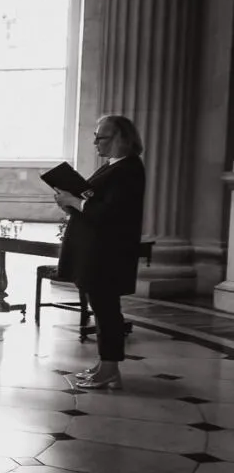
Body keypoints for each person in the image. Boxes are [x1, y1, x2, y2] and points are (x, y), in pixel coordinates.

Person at [54, 115, 146, 390]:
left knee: (107, 312)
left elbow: (111, 213)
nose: (95, 142)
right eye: (95, 135)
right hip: (96, 252)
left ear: (122, 139)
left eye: (101, 137)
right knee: (102, 309)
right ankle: (105, 365)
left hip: (107, 254)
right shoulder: (112, 167)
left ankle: (110, 370)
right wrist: (69, 202)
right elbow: (94, 202)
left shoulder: (128, 169)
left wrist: (73, 201)